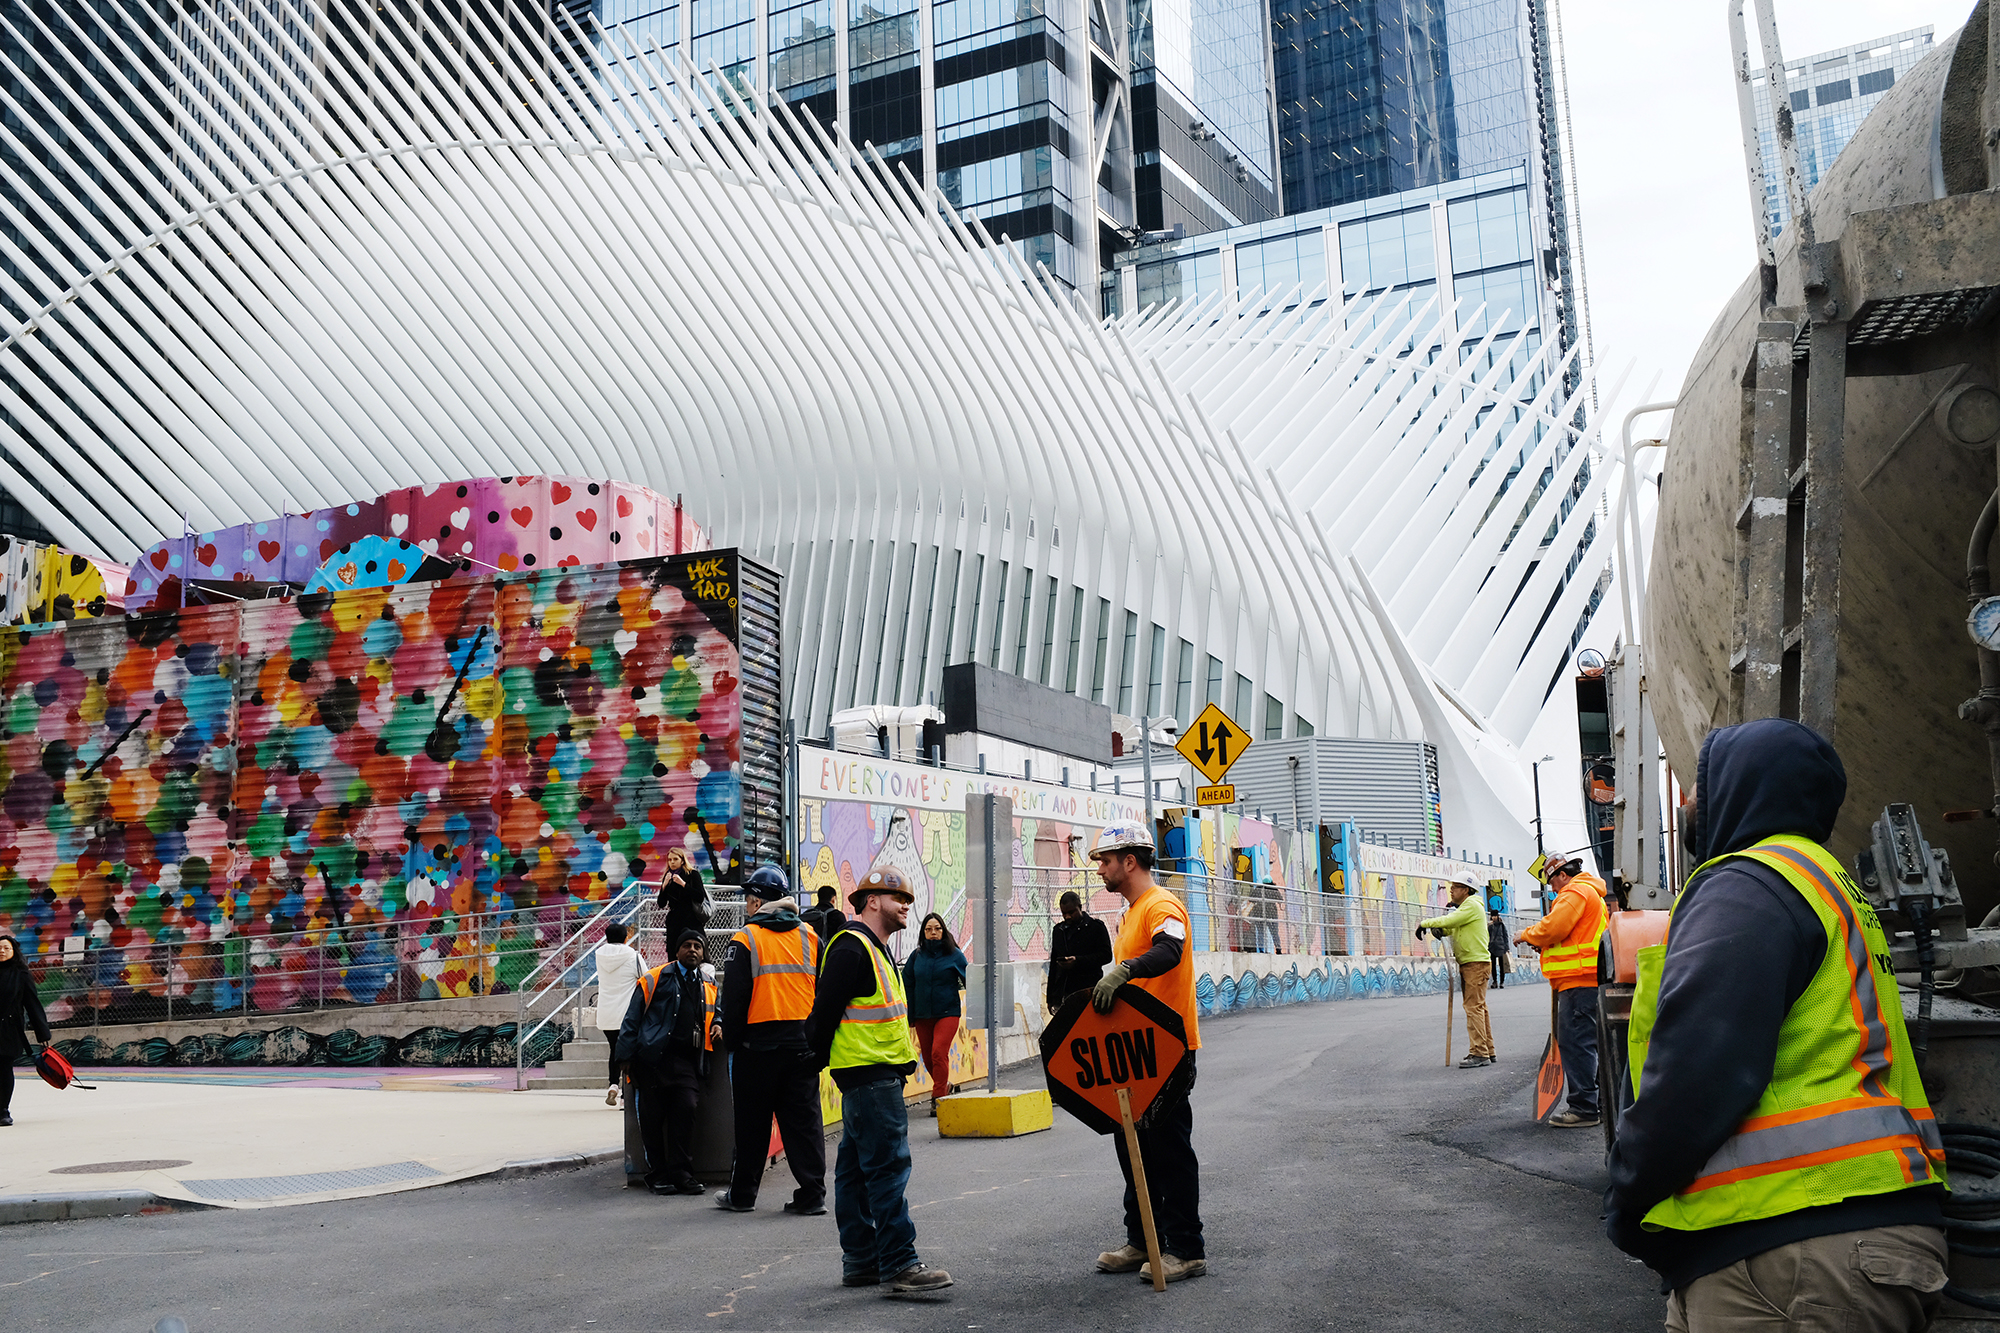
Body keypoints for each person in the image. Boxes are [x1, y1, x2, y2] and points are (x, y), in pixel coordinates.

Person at [1605, 719, 1948, 1330]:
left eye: (1699, 784)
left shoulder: (1748, 884)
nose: (1689, 802)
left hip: (1792, 1248)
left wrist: (1628, 1197)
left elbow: (1697, 1072)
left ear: (1742, 786)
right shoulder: (1825, 881)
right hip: (1854, 1228)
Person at [805, 867, 953, 1293]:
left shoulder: (874, 948)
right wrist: (815, 1060)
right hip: (871, 1077)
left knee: (854, 1173)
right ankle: (900, 1262)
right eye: (897, 898)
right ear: (872, 901)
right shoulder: (852, 948)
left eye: (907, 899)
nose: (906, 905)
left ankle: (862, 1260)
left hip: (869, 1077)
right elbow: (823, 1014)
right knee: (888, 1169)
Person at [1087, 821, 1206, 1285]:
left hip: (1168, 1050)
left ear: (1130, 861)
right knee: (1132, 1146)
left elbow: (1170, 950)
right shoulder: (1131, 912)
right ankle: (1143, 1239)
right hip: (1136, 1053)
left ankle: (1186, 1249)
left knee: (1169, 1149)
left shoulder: (1161, 904)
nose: (1100, 869)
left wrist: (1125, 971)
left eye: (1105, 861)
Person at [715, 864, 826, 1215]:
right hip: (801, 1046)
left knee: (752, 1125)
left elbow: (734, 1000)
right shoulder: (811, 936)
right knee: (804, 1124)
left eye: (749, 898)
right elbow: (824, 993)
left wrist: (733, 1042)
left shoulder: (746, 938)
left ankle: (742, 1196)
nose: (747, 905)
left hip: (757, 1048)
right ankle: (813, 1195)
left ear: (757, 901)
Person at [617, 929, 719, 1195]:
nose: (692, 950)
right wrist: (625, 1056)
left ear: (703, 953)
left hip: (687, 1062)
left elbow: (716, 1010)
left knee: (686, 1111)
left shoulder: (708, 982)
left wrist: (718, 1023)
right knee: (652, 1120)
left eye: (697, 946)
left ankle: (682, 1174)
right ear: (677, 951)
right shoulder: (654, 978)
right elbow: (632, 1017)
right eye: (687, 945)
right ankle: (658, 1176)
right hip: (653, 1060)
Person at [1515, 851, 1609, 1127]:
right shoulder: (1590, 893)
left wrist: (1526, 934)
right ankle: (1599, 1103)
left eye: (1552, 882)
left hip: (1578, 980)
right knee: (1588, 1043)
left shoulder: (1575, 892)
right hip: (1585, 979)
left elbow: (1553, 928)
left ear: (1563, 875)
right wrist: (1544, 944)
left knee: (1576, 1044)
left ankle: (1584, 1108)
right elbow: (1569, 935)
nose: (1553, 889)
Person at [1418, 881, 1494, 1068]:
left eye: (1455, 888)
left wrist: (1425, 924)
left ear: (1466, 890)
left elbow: (1450, 920)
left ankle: (1479, 1052)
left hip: (1475, 964)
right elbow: (1453, 926)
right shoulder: (1467, 909)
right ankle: (1487, 1050)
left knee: (1473, 1008)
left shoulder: (1471, 905)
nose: (1451, 891)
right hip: (1472, 963)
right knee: (1479, 1007)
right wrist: (1441, 930)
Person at [902, 913, 967, 1116]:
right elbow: (907, 984)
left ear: (943, 931)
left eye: (937, 929)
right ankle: (944, 1085)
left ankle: (938, 1098)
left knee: (939, 1052)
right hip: (922, 1014)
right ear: (923, 932)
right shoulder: (916, 956)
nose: (933, 933)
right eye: (929, 929)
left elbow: (970, 980)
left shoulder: (955, 955)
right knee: (929, 1058)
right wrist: (910, 1015)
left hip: (947, 1013)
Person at [594, 921, 647, 1108]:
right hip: (627, 1014)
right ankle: (626, 1095)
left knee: (614, 1050)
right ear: (626, 938)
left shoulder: (599, 955)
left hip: (606, 1013)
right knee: (630, 1053)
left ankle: (613, 1085)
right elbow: (645, 978)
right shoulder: (633, 956)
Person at [0, 934, 50, 1127]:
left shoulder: (21, 974)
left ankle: (3, 1110)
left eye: (6, 948)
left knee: (4, 1069)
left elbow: (32, 1004)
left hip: (9, 1030)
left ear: (14, 951)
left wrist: (42, 1033)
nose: (2, 951)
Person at [1046, 890, 1113, 1010]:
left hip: (1089, 990)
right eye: (1064, 913)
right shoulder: (1059, 931)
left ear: (1080, 907)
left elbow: (1106, 956)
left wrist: (1078, 961)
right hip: (1064, 993)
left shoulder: (1096, 927)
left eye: (1071, 912)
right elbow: (1054, 965)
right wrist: (1051, 998)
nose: (1067, 916)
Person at [656, 847, 708, 947]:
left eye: (675, 859)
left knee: (695, 946)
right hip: (674, 921)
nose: (672, 862)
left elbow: (700, 897)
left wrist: (683, 884)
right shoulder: (668, 877)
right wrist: (664, 886)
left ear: (682, 860)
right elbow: (661, 903)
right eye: (670, 859)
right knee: (673, 949)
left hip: (691, 919)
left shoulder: (692, 874)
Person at [1487, 909, 1510, 990]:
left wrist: (1507, 947)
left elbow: (1505, 936)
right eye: (1492, 916)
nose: (1493, 917)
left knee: (1502, 966)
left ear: (1497, 916)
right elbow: (1487, 936)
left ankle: (1502, 982)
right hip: (1492, 947)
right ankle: (1495, 982)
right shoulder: (1490, 926)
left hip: (1501, 947)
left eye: (1495, 916)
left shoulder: (1502, 925)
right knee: (1493, 966)